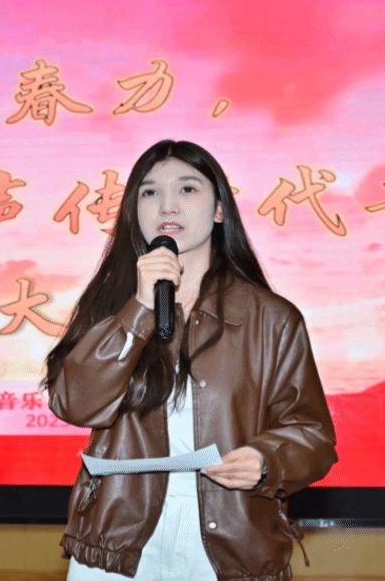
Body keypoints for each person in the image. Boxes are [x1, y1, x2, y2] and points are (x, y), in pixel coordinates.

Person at [44, 140, 338, 581]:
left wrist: (266, 460)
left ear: (219, 210)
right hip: (117, 544)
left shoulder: (272, 318)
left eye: (187, 189)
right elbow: (75, 404)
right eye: (149, 192)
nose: (167, 205)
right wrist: (140, 309)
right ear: (134, 211)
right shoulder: (110, 306)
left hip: (231, 543)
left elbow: (312, 434)